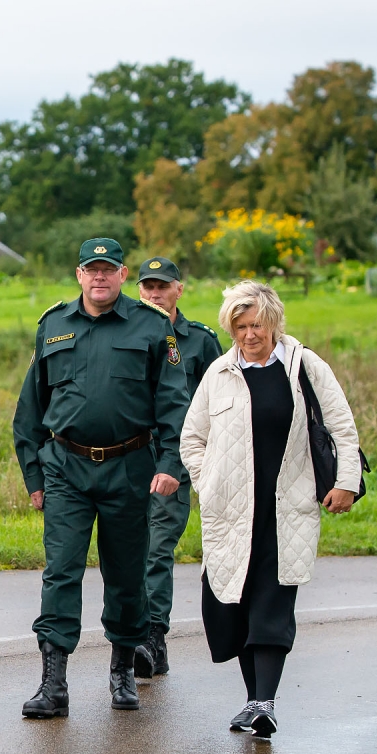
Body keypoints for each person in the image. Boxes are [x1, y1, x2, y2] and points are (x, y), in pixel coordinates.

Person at [12, 238, 191, 719]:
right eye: (91, 270)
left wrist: (170, 465)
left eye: (108, 270)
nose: (99, 277)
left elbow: (175, 404)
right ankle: (53, 684)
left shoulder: (152, 327)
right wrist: (34, 475)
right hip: (66, 467)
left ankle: (122, 671)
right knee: (61, 572)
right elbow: (30, 408)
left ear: (122, 274)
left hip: (130, 466)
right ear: (79, 274)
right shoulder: (53, 325)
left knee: (127, 574)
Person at [180, 281, 361, 738]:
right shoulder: (219, 374)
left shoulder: (304, 366)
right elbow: (192, 439)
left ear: (274, 322)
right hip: (232, 511)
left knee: (272, 603)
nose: (248, 334)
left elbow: (341, 425)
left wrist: (346, 482)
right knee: (232, 603)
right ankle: (252, 700)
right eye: (239, 327)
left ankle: (265, 702)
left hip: (287, 506)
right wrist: (209, 482)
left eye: (256, 324)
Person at [132, 256, 222, 678]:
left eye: (162, 286)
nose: (154, 293)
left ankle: (152, 636)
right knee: (127, 550)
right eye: (147, 286)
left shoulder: (201, 342)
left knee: (156, 548)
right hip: (127, 458)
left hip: (176, 459)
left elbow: (221, 407)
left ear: (178, 289)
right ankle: (132, 633)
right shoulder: (125, 329)